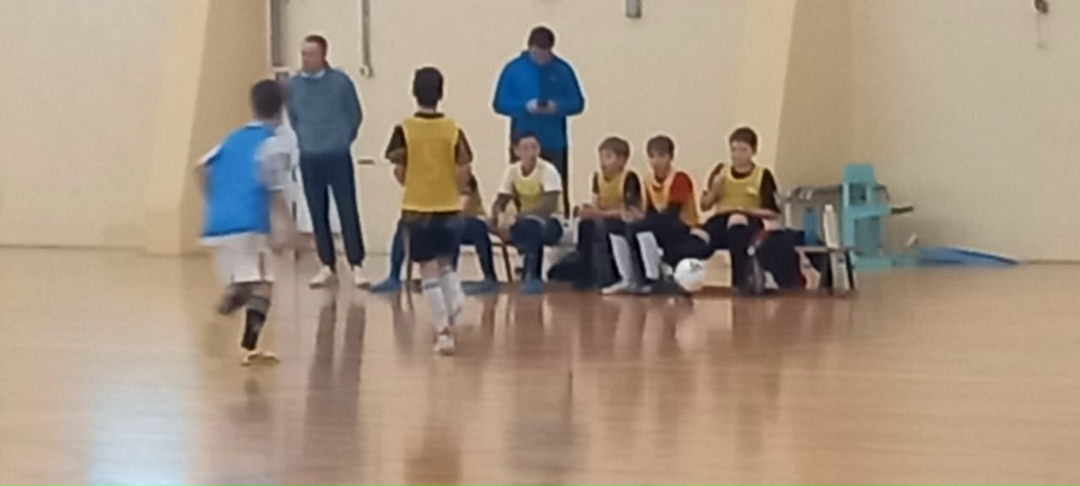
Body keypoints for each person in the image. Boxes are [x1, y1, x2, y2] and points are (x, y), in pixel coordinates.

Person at [197, 80, 295, 366]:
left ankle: (222, 318)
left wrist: (215, 200)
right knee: (263, 284)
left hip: (218, 223)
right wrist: (289, 230)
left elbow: (201, 168)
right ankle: (247, 345)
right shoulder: (272, 145)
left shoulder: (232, 138)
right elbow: (275, 192)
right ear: (282, 109)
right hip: (249, 223)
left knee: (244, 282)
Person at [385, 66, 471, 355]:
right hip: (447, 205)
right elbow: (464, 168)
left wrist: (412, 182)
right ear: (441, 93)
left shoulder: (404, 129)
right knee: (445, 262)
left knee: (427, 270)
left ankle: (443, 333)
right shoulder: (453, 129)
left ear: (414, 92)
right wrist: (455, 191)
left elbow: (399, 169)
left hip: (416, 206)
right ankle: (456, 297)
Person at [288, 34, 367, 288]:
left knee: (347, 208)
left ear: (323, 55)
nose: (305, 58)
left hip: (337, 153)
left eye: (310, 54)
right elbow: (293, 116)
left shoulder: (340, 82)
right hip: (309, 156)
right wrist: (306, 139)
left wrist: (342, 139)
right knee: (316, 210)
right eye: (303, 53)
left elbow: (354, 114)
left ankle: (356, 263)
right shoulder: (293, 85)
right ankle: (326, 263)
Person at [492, 25, 585, 216]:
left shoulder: (563, 70)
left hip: (554, 141)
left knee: (556, 192)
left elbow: (578, 103)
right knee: (518, 189)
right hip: (523, 140)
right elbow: (499, 103)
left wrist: (557, 107)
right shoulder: (514, 69)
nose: (542, 59)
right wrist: (524, 107)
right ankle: (518, 223)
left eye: (546, 54)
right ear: (529, 48)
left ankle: (559, 224)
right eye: (537, 54)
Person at [610, 135, 713, 294]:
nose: (656, 161)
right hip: (661, 225)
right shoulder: (648, 180)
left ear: (670, 157)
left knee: (639, 228)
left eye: (661, 156)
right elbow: (650, 211)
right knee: (622, 229)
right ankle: (631, 278)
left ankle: (653, 278)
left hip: (684, 227)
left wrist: (642, 220)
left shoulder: (679, 178)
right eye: (652, 156)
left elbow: (672, 214)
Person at [370, 170, 500, 295]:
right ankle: (394, 277)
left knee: (456, 225)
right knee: (405, 224)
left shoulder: (463, 176)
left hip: (468, 221)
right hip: (440, 219)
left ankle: (484, 278)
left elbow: (459, 208)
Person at [700, 127, 798, 293]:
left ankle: (741, 281)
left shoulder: (762, 175)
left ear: (753, 151)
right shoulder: (720, 172)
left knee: (737, 224)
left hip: (749, 222)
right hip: (720, 221)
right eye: (734, 150)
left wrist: (746, 210)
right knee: (698, 238)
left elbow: (773, 212)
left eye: (743, 150)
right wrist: (714, 191)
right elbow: (704, 206)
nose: (737, 155)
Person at [489, 133, 565, 295]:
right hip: (523, 222)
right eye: (525, 148)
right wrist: (498, 216)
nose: (531, 152)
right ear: (517, 151)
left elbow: (548, 206)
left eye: (534, 148)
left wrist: (518, 217)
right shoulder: (512, 171)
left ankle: (532, 275)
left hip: (551, 223)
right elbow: (500, 200)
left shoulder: (548, 170)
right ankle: (490, 278)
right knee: (489, 225)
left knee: (530, 227)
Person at [573, 136, 643, 290]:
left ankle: (609, 276)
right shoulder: (597, 177)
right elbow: (597, 203)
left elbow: (629, 212)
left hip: (623, 220)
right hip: (604, 216)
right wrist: (587, 210)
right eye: (601, 157)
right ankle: (586, 275)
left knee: (605, 226)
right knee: (585, 225)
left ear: (622, 160)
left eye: (608, 157)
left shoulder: (629, 178)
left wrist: (598, 213)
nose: (603, 162)